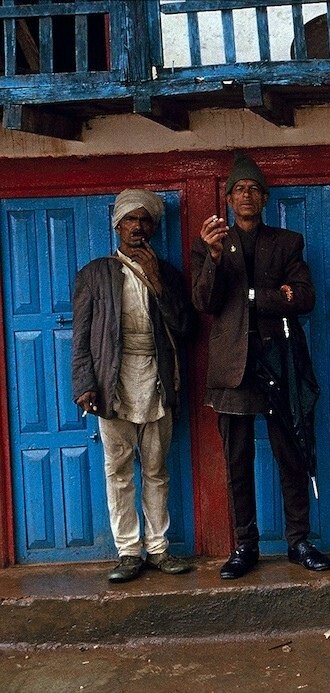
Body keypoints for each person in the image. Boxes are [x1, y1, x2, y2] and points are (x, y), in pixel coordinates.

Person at [192, 152, 330, 579]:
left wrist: (255, 297)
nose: (246, 195)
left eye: (254, 189)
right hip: (233, 367)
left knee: (291, 452)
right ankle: (245, 545)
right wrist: (214, 259)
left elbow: (304, 298)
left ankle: (299, 541)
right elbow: (205, 303)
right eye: (239, 189)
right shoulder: (210, 245)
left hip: (279, 360)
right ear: (229, 199)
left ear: (265, 198)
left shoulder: (287, 242)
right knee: (237, 459)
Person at [71, 189, 192, 583]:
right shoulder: (95, 273)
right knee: (118, 469)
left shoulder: (168, 273)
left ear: (153, 228)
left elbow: (184, 327)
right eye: (130, 220)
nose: (137, 227)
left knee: (157, 469)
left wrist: (156, 279)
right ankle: (128, 551)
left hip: (157, 376)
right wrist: (85, 384)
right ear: (117, 225)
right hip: (113, 382)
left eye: (145, 220)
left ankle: (158, 549)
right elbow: (82, 337)